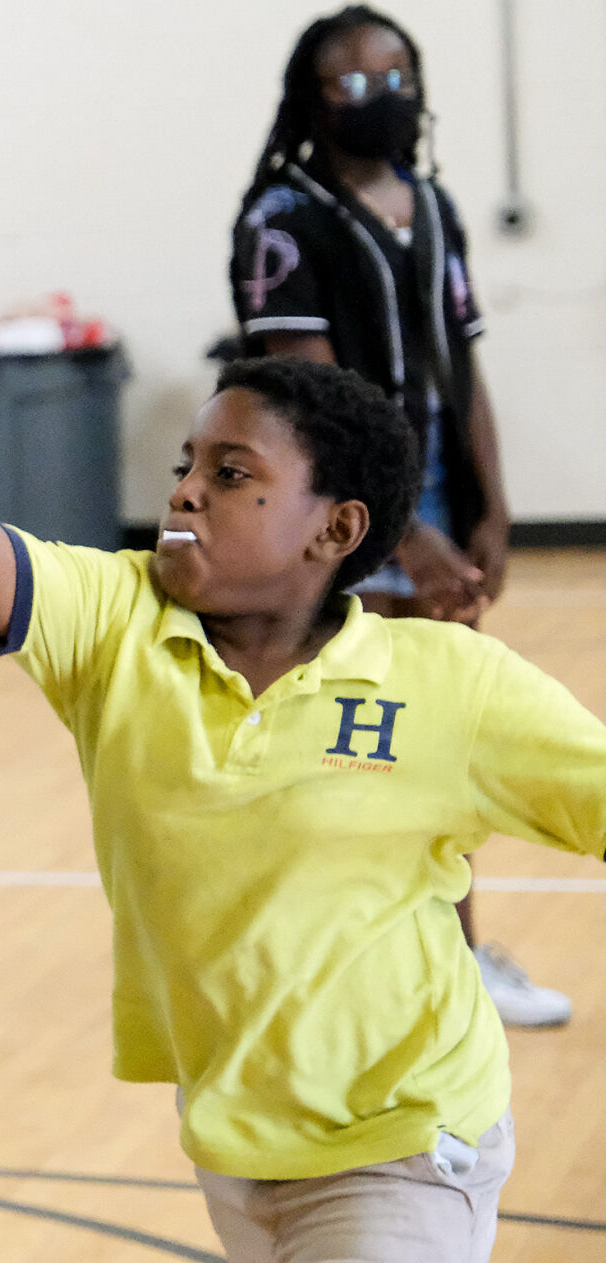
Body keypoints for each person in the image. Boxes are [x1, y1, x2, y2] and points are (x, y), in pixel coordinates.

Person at [0, 272, 606, 1263]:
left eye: (230, 474)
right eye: (187, 463)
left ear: (334, 528)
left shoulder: (449, 685)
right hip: (237, 1145)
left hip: (406, 1142)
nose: (181, 488)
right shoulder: (115, 621)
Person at [227, 4, 566, 1028]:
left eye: (397, 75)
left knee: (435, 746)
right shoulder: (280, 222)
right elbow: (316, 405)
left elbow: (461, 366)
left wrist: (493, 511)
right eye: (353, 83)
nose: (382, 98)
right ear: (310, 98)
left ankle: (451, 962)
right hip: (329, 527)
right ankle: (322, 965)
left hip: (433, 510)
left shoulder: (433, 204)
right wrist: (401, 535)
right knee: (342, 747)